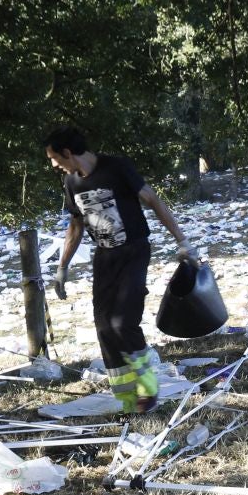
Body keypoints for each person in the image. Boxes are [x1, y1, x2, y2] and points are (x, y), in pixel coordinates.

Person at [45, 126, 195, 413]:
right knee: (104, 327)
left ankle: (148, 389)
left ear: (67, 152)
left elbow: (152, 199)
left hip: (134, 251)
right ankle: (128, 399)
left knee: (122, 323)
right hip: (105, 258)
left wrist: (183, 241)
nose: (53, 164)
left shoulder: (116, 168)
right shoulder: (71, 182)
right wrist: (62, 268)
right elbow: (76, 226)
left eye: (54, 157)